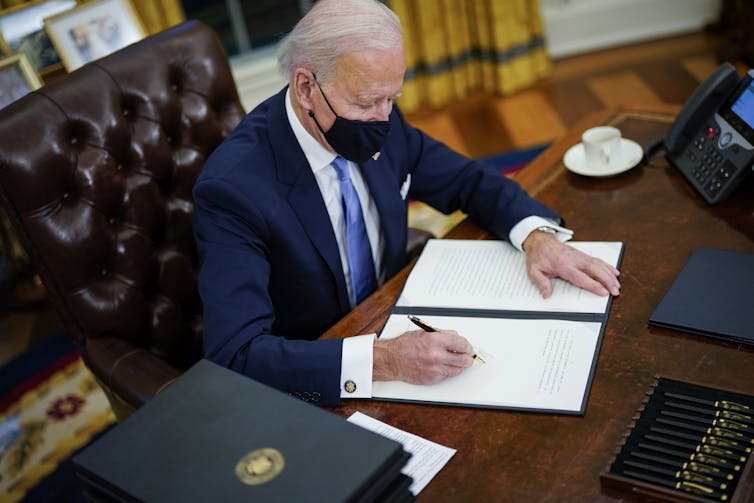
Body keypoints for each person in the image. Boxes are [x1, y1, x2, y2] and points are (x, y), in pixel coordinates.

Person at [193, 0, 621, 406]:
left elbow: (464, 180)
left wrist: (536, 236)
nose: (385, 118)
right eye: (366, 102)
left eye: (392, 98)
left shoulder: (374, 113)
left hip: (398, 310)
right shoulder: (234, 191)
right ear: (306, 87)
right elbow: (236, 355)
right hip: (322, 371)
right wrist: (384, 360)